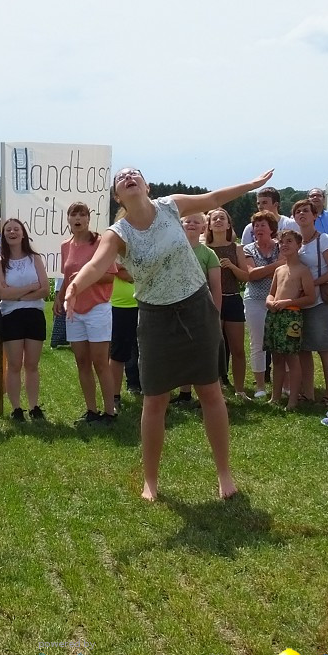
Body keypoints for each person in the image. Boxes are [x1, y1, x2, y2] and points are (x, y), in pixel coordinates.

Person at [69, 167, 274, 501]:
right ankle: (150, 481)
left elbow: (215, 198)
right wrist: (76, 285)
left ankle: (225, 476)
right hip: (154, 317)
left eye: (135, 173)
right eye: (122, 178)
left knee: (210, 391)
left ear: (146, 186)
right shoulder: (117, 232)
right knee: (155, 400)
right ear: (118, 196)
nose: (129, 176)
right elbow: (96, 264)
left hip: (196, 308)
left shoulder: (170, 206)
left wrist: (250, 185)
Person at [56, 202, 118, 424]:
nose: (78, 218)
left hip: (97, 308)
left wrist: (83, 278)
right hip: (74, 310)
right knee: (82, 361)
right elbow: (66, 276)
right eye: (74, 214)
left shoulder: (100, 243)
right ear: (68, 219)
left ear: (89, 219)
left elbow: (110, 275)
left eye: (82, 214)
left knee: (100, 362)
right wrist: (59, 297)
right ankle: (91, 410)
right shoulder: (66, 245)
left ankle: (110, 412)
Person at [0, 218, 49, 422]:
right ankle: (16, 409)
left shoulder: (35, 258)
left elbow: (45, 289)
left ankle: (34, 406)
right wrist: (28, 289)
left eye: (16, 229)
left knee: (32, 365)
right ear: (3, 235)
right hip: (10, 317)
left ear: (23, 234)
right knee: (14, 364)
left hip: (34, 315)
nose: (12, 232)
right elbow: (2, 293)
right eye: (8, 230)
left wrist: (17, 295)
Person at [292, 198, 328, 405]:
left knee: (324, 348)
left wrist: (313, 283)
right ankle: (308, 392)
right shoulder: (297, 242)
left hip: (321, 299)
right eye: (298, 212)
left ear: (315, 216)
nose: (302, 214)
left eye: (306, 211)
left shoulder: (325, 240)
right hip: (302, 300)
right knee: (303, 348)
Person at [229, 211, 282, 398]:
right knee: (257, 343)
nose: (258, 229)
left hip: (278, 300)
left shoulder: (281, 246)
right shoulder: (247, 249)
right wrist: (277, 267)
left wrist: (264, 272)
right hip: (255, 301)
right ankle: (260, 386)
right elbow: (250, 274)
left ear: (271, 228)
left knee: (279, 345)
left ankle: (282, 385)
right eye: (256, 225)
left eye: (262, 225)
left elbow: (287, 270)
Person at [265, 230, 317, 410]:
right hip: (275, 316)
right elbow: (272, 292)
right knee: (277, 358)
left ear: (298, 245)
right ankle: (275, 396)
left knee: (292, 359)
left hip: (291, 317)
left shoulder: (303, 270)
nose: (284, 244)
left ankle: (293, 399)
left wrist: (289, 302)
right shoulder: (279, 269)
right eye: (281, 242)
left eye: (289, 241)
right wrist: (269, 301)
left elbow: (310, 297)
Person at [173, 212, 221, 404]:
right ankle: (184, 394)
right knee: (180, 351)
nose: (191, 224)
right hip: (175, 308)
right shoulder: (173, 251)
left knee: (200, 352)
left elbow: (216, 287)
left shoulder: (209, 254)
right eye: (187, 221)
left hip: (201, 308)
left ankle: (208, 395)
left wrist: (215, 313)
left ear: (204, 227)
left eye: (196, 222)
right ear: (181, 225)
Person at [207, 207, 250, 399]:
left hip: (232, 298)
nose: (218, 221)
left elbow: (246, 277)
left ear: (228, 224)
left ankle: (240, 390)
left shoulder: (237, 248)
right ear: (208, 224)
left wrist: (231, 266)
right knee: (214, 348)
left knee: (238, 348)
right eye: (214, 218)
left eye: (222, 218)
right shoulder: (204, 249)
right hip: (210, 301)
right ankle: (215, 389)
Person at [109, 263, 141, 411]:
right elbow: (116, 268)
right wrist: (141, 275)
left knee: (148, 351)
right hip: (120, 306)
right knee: (118, 354)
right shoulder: (113, 243)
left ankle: (151, 393)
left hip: (146, 303)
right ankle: (114, 397)